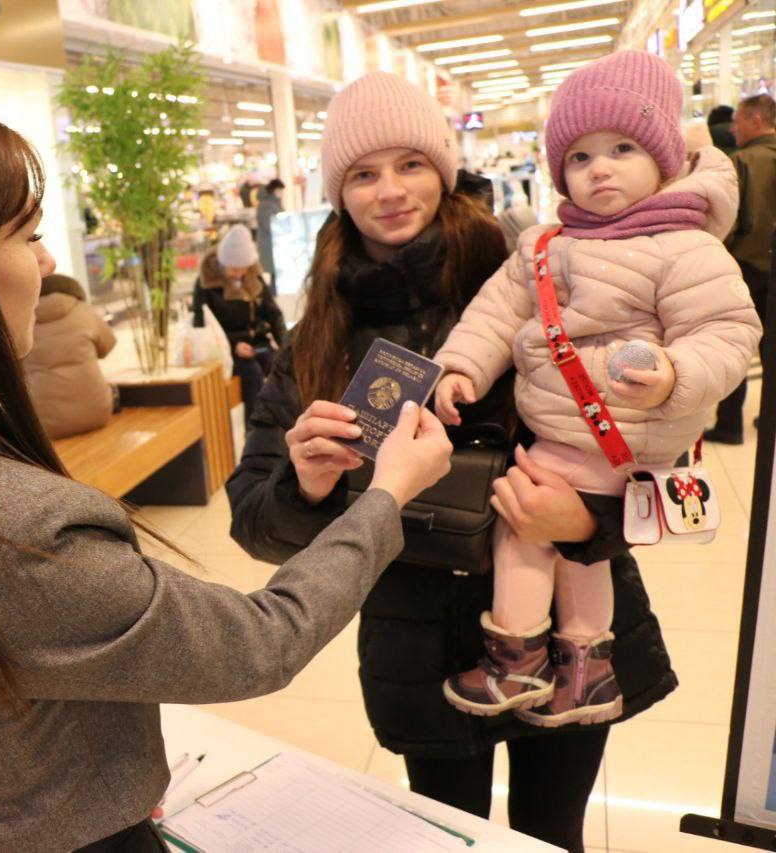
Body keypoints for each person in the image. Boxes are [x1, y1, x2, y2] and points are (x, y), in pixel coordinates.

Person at [0, 100, 454, 853]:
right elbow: (260, 641)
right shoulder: (18, 531)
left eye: (411, 165)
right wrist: (384, 494)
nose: (48, 262)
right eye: (27, 235)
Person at [227, 72, 678, 853]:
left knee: (552, 835)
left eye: (410, 164)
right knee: (449, 839)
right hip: (417, 645)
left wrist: (585, 522)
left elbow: (651, 450)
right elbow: (253, 523)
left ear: (442, 167)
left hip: (569, 632)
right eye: (362, 174)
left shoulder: (538, 278)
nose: (389, 191)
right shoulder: (319, 334)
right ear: (337, 193)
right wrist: (307, 484)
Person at [433, 51, 760, 726]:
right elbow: (495, 314)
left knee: (522, 523)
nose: (599, 168)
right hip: (567, 428)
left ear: (664, 159)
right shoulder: (545, 246)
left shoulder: (686, 246)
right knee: (574, 552)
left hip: (627, 428)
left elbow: (729, 332)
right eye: (579, 157)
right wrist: (462, 366)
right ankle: (587, 671)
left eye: (622, 148)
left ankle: (515, 660)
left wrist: (674, 374)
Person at [706, 93, 776, 444]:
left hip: (746, 267)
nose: (733, 129)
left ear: (755, 121)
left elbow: (727, 221)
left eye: (738, 122)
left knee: (734, 344)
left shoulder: (742, 162)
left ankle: (729, 425)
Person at [192, 224, 287, 420]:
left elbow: (272, 312)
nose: (238, 273)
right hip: (225, 350)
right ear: (222, 262)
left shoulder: (254, 277)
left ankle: (281, 424)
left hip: (257, 344)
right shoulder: (205, 283)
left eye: (242, 268)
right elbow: (201, 327)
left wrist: (286, 344)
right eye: (233, 268)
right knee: (251, 372)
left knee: (280, 366)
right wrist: (234, 344)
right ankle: (255, 428)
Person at [23, 273, 117, 439]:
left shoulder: (22, 322)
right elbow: (108, 346)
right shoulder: (84, 311)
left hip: (45, 425)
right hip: (98, 413)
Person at [256, 177, 286, 285]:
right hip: (269, 244)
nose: (281, 193)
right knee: (273, 273)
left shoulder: (274, 202)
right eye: (280, 190)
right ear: (274, 190)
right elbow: (269, 225)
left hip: (274, 242)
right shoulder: (265, 205)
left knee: (276, 273)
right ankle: (273, 292)